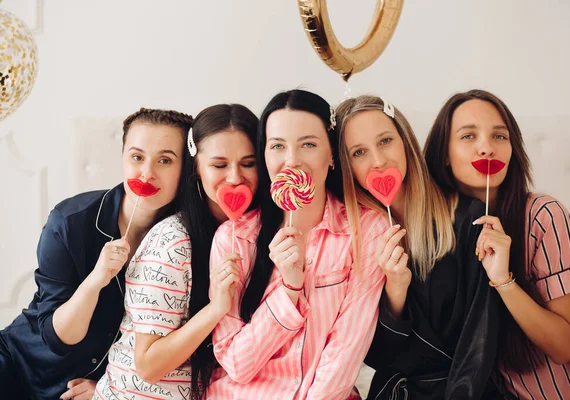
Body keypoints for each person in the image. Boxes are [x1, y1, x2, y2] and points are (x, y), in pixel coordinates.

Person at [0, 108, 193, 400]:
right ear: (123, 157)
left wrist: (107, 386)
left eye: (165, 160)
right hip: (18, 365)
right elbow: (59, 338)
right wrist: (96, 279)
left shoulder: (187, 242)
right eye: (137, 157)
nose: (147, 172)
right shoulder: (70, 221)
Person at [207, 89, 388, 399]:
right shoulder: (234, 239)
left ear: (331, 154)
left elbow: (346, 352)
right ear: (264, 156)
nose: (291, 160)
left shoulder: (367, 230)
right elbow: (236, 364)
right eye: (278, 146)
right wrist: (289, 289)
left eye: (308, 144)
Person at [424, 88, 570, 398]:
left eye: (499, 136)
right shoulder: (439, 234)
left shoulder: (544, 216)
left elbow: (564, 347)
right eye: (468, 137)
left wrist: (503, 281)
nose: (486, 148)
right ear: (444, 156)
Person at [336, 95, 501, 399]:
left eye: (385, 141)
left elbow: (482, 337)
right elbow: (374, 357)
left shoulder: (469, 219)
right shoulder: (353, 243)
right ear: (347, 167)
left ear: (405, 142)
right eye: (359, 152)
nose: (378, 160)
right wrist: (395, 293)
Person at [93, 104, 259, 400]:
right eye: (219, 165)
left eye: (248, 163)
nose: (235, 178)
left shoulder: (254, 235)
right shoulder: (173, 241)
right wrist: (216, 308)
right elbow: (147, 365)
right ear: (196, 169)